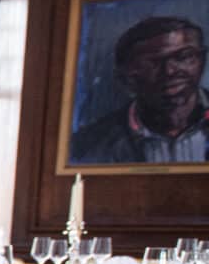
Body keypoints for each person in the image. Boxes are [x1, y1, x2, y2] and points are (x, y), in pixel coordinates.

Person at [72, 16, 208, 164]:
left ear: (203, 60)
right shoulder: (86, 146)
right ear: (126, 76)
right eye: (153, 63)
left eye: (184, 56)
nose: (170, 71)